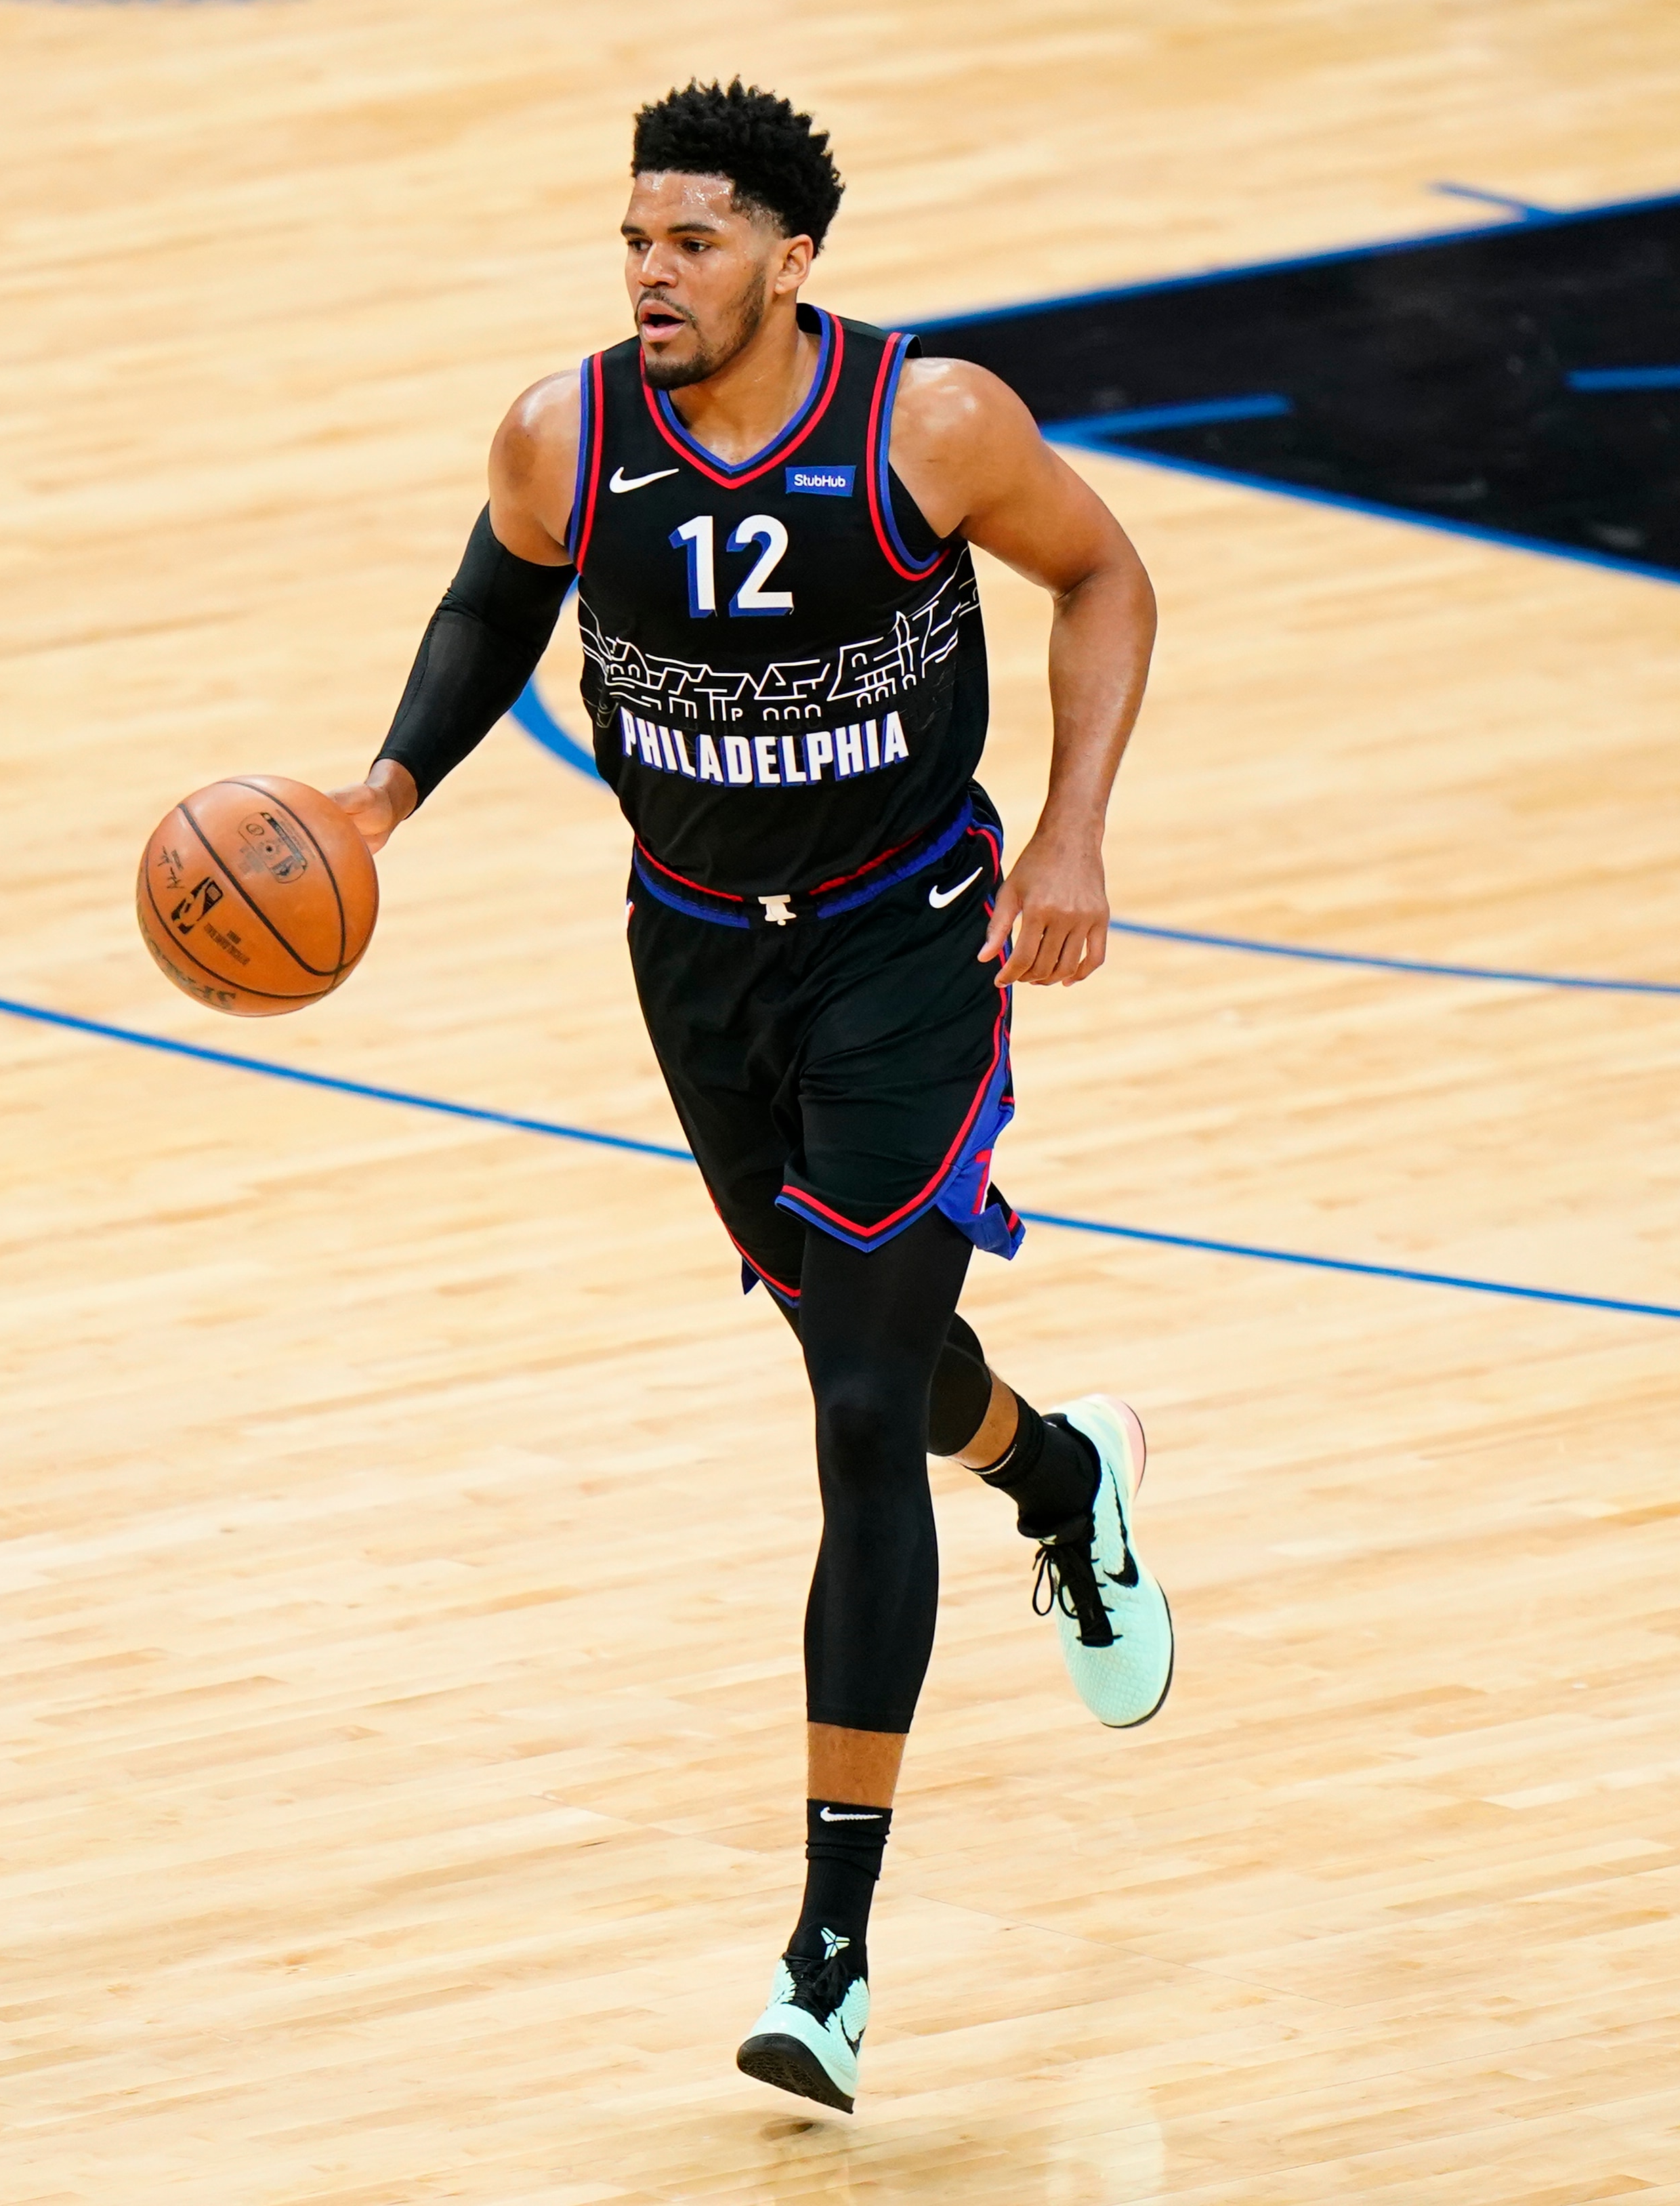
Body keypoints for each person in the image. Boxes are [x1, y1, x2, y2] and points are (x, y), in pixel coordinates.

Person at [327, 81, 1167, 2116]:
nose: (648, 276)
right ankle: (1057, 1477)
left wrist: (1069, 839)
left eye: (689, 243)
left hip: (908, 942)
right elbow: (489, 604)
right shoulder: (563, 434)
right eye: (632, 240)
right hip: (695, 953)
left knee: (856, 1414)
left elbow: (1109, 580)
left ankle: (830, 1958)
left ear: (790, 259)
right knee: (859, 1343)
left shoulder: (926, 426)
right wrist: (374, 797)